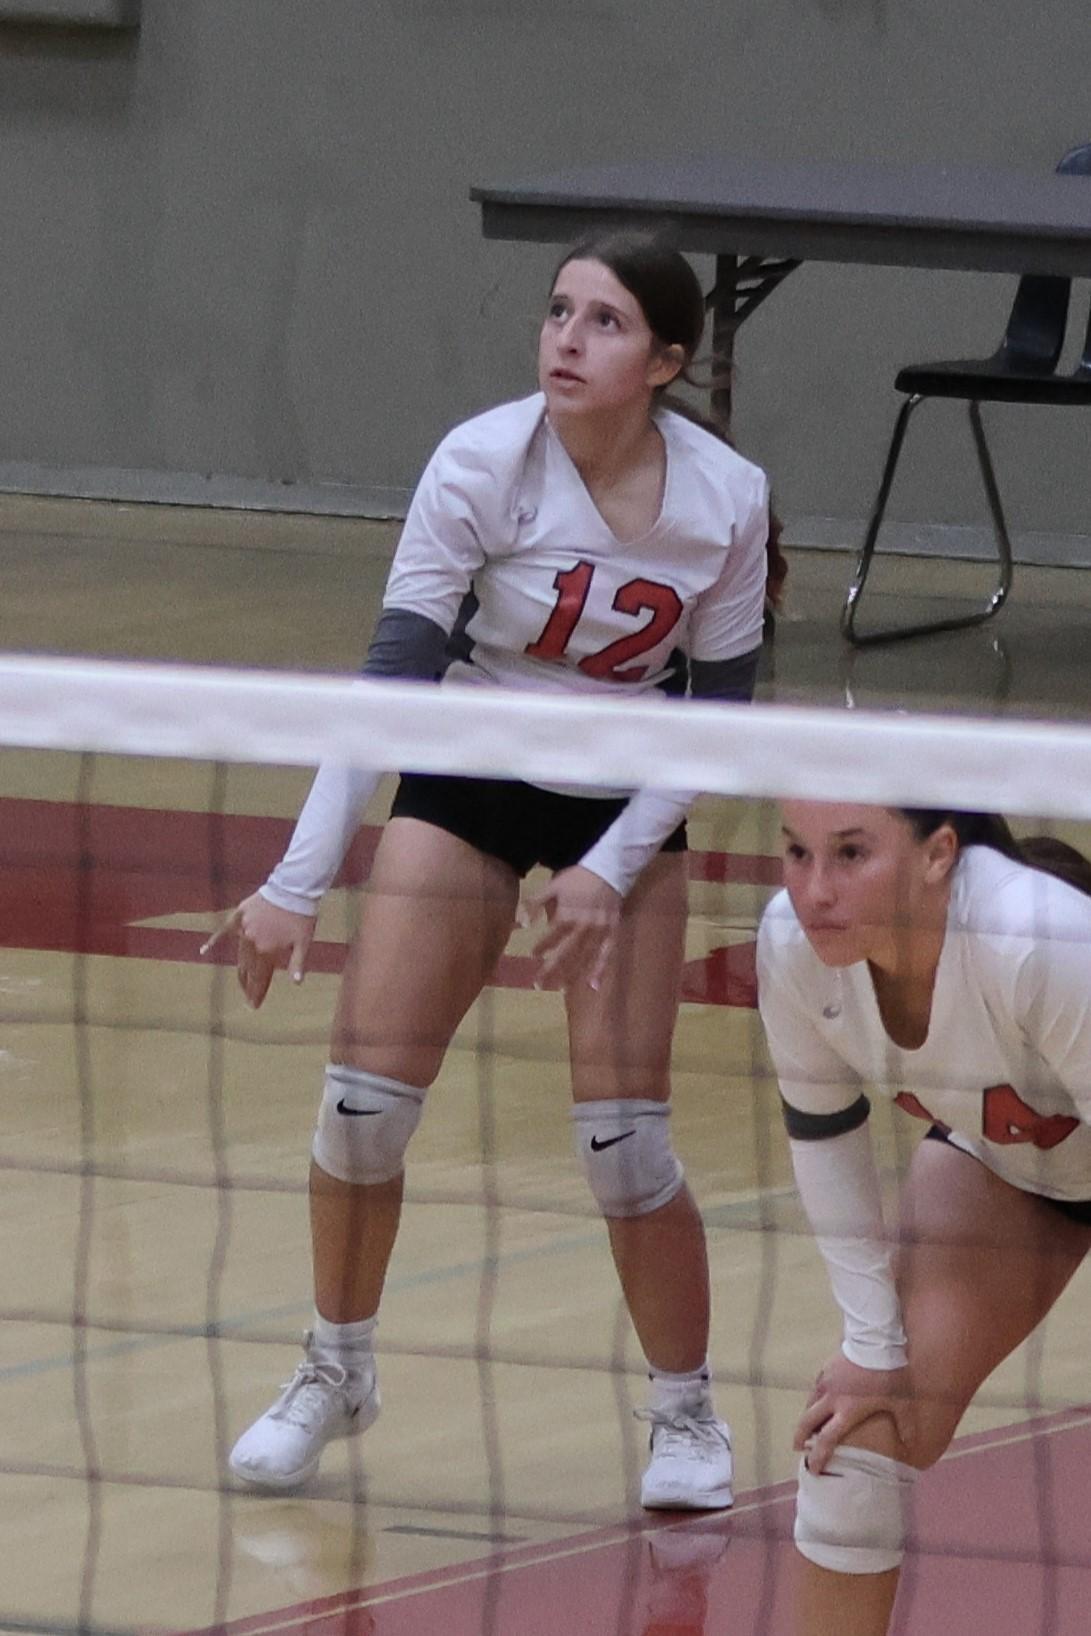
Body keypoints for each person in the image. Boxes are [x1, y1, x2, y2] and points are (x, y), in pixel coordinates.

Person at [206, 231, 772, 1508]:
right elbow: (389, 688)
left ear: (665, 361)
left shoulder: (726, 498)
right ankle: (334, 1368)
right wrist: (295, 883)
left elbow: (720, 723)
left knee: (623, 1145)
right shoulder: (479, 462)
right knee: (360, 1113)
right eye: (557, 310)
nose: (565, 338)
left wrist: (610, 869)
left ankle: (685, 1414)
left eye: (604, 321)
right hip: (469, 774)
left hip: (625, 796)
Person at [756, 803, 1091, 1636]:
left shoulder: (1038, 941)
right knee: (856, 1447)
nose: (814, 890)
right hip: (1010, 1172)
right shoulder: (794, 949)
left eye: (850, 855)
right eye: (796, 853)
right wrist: (871, 1349)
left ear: (939, 853)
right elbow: (823, 1136)